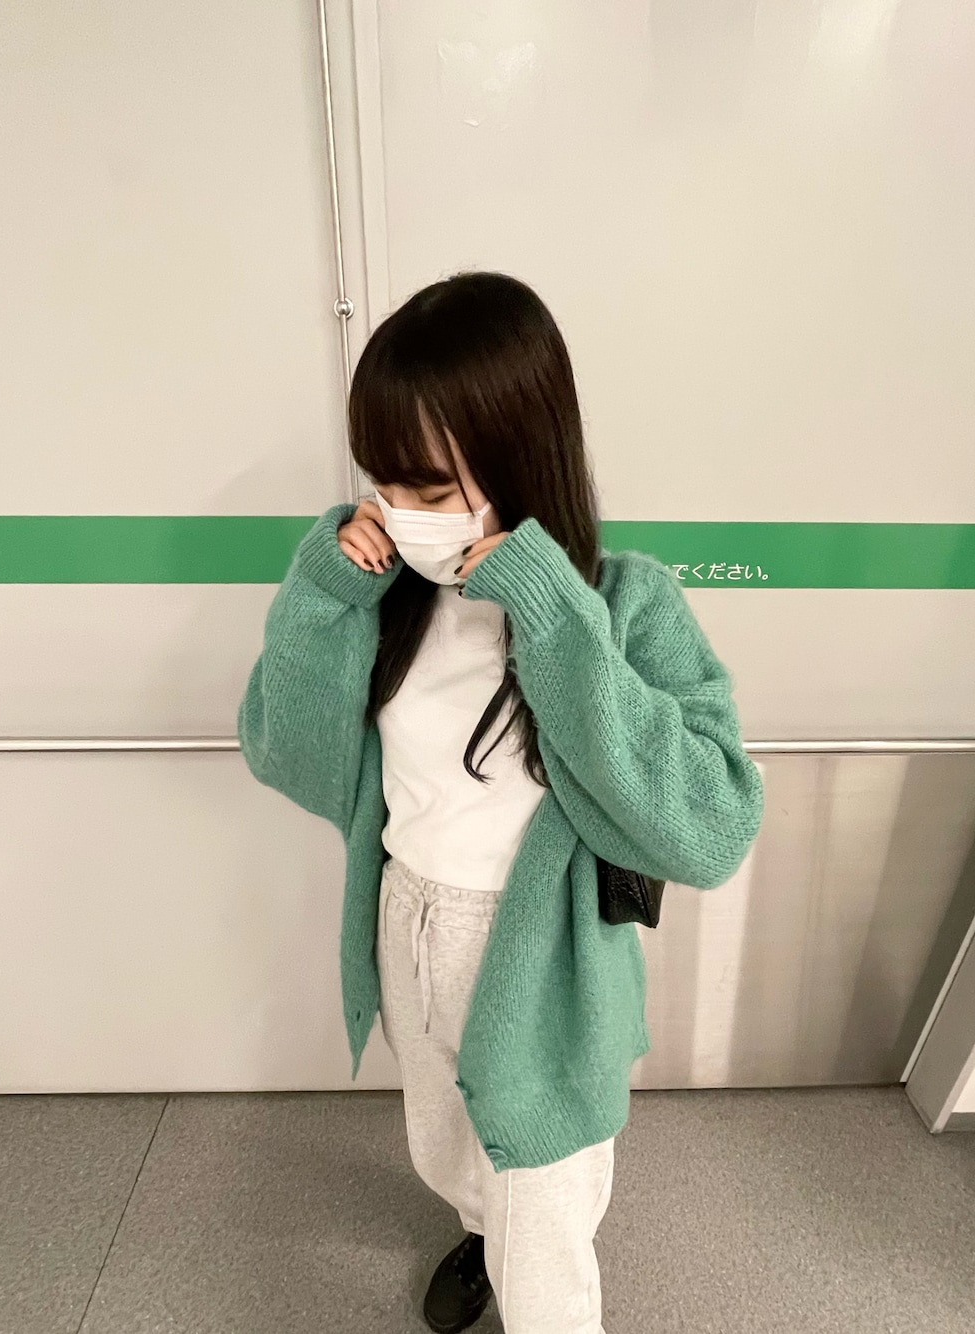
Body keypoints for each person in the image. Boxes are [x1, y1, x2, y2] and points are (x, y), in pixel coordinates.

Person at [237, 271, 764, 1333]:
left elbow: (711, 824)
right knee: (452, 1153)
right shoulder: (388, 602)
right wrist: (323, 597)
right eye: (383, 481)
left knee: (547, 1226)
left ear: (517, 455)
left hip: (543, 957)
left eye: (429, 488)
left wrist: (553, 617)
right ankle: (479, 1231)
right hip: (409, 922)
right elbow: (286, 757)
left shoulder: (625, 602)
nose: (400, 512)